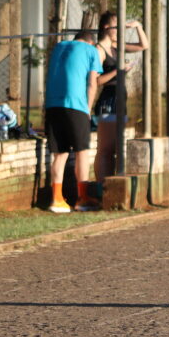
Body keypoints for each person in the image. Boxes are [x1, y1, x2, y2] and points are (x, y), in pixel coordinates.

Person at [43, 28, 104, 213]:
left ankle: (57, 199)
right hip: (75, 104)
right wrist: (88, 108)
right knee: (81, 151)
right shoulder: (91, 50)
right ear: (91, 42)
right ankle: (83, 198)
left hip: (52, 104)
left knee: (60, 153)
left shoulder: (59, 46)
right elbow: (92, 82)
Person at [93, 12, 149, 184]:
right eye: (116, 27)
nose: (119, 30)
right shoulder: (99, 49)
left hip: (120, 98)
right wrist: (118, 70)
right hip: (108, 99)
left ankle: (110, 183)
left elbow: (143, 46)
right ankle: (102, 187)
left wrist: (138, 26)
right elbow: (96, 80)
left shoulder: (116, 45)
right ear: (106, 27)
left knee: (116, 147)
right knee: (106, 148)